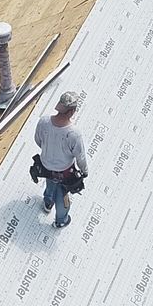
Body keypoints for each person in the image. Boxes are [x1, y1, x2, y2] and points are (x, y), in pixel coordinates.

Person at [34, 91, 89, 229]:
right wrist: (84, 171)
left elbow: (38, 140)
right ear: (71, 111)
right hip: (64, 171)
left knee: (50, 184)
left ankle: (47, 203)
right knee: (62, 196)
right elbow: (80, 156)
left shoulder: (44, 122)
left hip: (46, 166)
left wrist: (49, 152)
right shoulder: (73, 134)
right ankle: (61, 220)